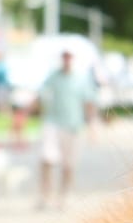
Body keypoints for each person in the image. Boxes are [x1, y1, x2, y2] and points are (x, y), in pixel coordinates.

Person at [35, 48, 96, 209]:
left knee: (69, 165)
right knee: (47, 158)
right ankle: (45, 195)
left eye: (69, 57)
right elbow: (40, 94)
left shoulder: (82, 79)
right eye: (64, 57)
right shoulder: (53, 76)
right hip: (53, 123)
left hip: (74, 126)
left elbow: (88, 103)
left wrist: (91, 127)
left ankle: (64, 196)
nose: (67, 60)